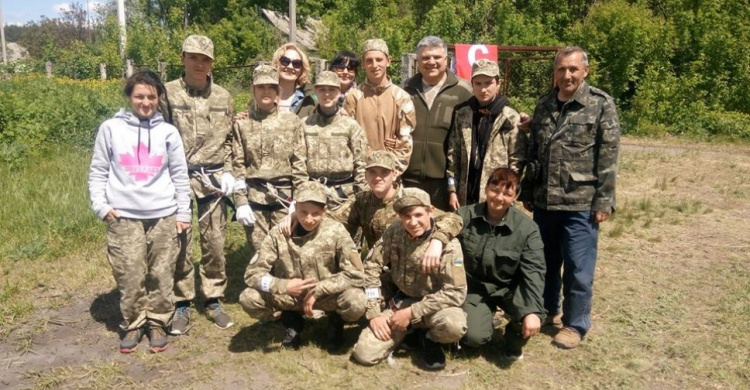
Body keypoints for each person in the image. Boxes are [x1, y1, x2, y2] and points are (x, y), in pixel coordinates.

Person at [521, 46, 620, 349]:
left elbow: (608, 155)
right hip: (545, 202)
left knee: (578, 267)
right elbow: (535, 152)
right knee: (545, 261)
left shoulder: (600, 104)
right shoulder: (544, 105)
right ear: (554, 72)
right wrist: (527, 190)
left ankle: (575, 324)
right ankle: (549, 309)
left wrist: (604, 200)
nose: (567, 75)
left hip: (580, 202)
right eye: (561, 69)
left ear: (584, 71)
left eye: (573, 69)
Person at [89, 70, 191, 353]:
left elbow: (180, 176)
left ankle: (157, 320)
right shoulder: (110, 129)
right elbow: (98, 170)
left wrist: (183, 214)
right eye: (139, 96)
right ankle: (133, 323)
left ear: (159, 99)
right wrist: (101, 205)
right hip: (124, 216)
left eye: (151, 97)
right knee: (129, 273)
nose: (145, 102)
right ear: (129, 97)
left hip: (163, 214)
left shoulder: (168, 132)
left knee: (161, 273)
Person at [239, 181, 366, 352]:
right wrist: (283, 286)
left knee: (356, 301)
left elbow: (356, 274)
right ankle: (291, 320)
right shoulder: (279, 233)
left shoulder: (336, 231)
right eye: (303, 212)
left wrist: (319, 289)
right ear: (295, 208)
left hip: (325, 296)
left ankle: (335, 323)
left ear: (324, 211)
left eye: (316, 213)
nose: (309, 219)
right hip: (290, 296)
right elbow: (252, 274)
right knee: (249, 298)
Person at [163, 35, 235, 334]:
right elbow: (158, 135)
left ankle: (213, 298)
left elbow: (231, 140)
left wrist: (230, 171)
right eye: (193, 57)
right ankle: (181, 301)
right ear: (182, 58)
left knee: (215, 243)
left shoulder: (223, 96)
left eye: (205, 59)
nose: (199, 63)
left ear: (211, 63)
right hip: (177, 177)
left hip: (213, 178)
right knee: (180, 242)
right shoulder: (166, 93)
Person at [351, 189, 467, 370]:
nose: (413, 222)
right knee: (364, 354)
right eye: (406, 216)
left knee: (454, 325)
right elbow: (371, 267)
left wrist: (412, 313)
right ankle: (407, 332)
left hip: (434, 307)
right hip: (401, 301)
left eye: (418, 215)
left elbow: (456, 292)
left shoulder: (449, 246)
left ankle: (430, 339)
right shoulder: (394, 231)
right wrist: (374, 313)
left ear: (431, 211)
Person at [457, 168, 545, 361]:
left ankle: (514, 338)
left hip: (509, 289)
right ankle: (483, 320)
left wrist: (531, 311)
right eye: (494, 190)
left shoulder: (527, 229)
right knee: (474, 338)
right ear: (486, 188)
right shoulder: (465, 215)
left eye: (507, 193)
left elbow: (535, 272)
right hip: (476, 290)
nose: (499, 197)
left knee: (528, 313)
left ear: (516, 196)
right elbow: (443, 227)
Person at [232, 64, 307, 252]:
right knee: (260, 254)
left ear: (278, 91)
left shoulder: (291, 122)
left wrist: (299, 202)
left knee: (286, 252)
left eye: (271, 87)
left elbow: (299, 164)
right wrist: (240, 202)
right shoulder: (242, 124)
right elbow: (238, 165)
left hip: (284, 198)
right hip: (254, 199)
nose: (266, 91)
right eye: (261, 87)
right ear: (253, 90)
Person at [402, 36, 472, 211]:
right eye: (425, 57)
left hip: (444, 182)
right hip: (409, 178)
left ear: (446, 60)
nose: (431, 62)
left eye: (436, 57)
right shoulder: (405, 90)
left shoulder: (463, 91)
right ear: (418, 61)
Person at [447, 59, 527, 212]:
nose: (483, 89)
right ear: (472, 85)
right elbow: (453, 155)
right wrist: (452, 190)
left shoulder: (510, 117)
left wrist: (508, 194)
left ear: (498, 83)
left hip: (497, 197)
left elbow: (517, 161)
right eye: (478, 84)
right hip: (465, 196)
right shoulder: (462, 114)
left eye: (488, 83)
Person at [292, 71, 367, 209]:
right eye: (322, 90)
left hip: (345, 196)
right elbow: (298, 164)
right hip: (313, 194)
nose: (327, 94)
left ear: (339, 92)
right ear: (316, 92)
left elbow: (361, 163)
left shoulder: (351, 125)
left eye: (332, 90)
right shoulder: (304, 125)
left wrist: (361, 197)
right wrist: (301, 196)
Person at [343, 39, 416, 174]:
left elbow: (405, 144)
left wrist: (391, 174)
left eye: (379, 60)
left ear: (388, 61)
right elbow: (346, 139)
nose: (374, 65)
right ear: (363, 64)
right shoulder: (353, 97)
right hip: (360, 174)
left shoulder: (402, 98)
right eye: (369, 61)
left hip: (390, 175)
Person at [297, 50, 360, 118]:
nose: (345, 72)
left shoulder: (361, 95)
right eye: (340, 67)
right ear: (333, 69)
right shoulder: (317, 95)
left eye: (350, 68)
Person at [271, 42, 314, 114]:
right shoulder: (262, 97)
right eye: (285, 61)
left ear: (302, 69)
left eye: (296, 64)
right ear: (277, 64)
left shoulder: (310, 101)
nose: (290, 67)